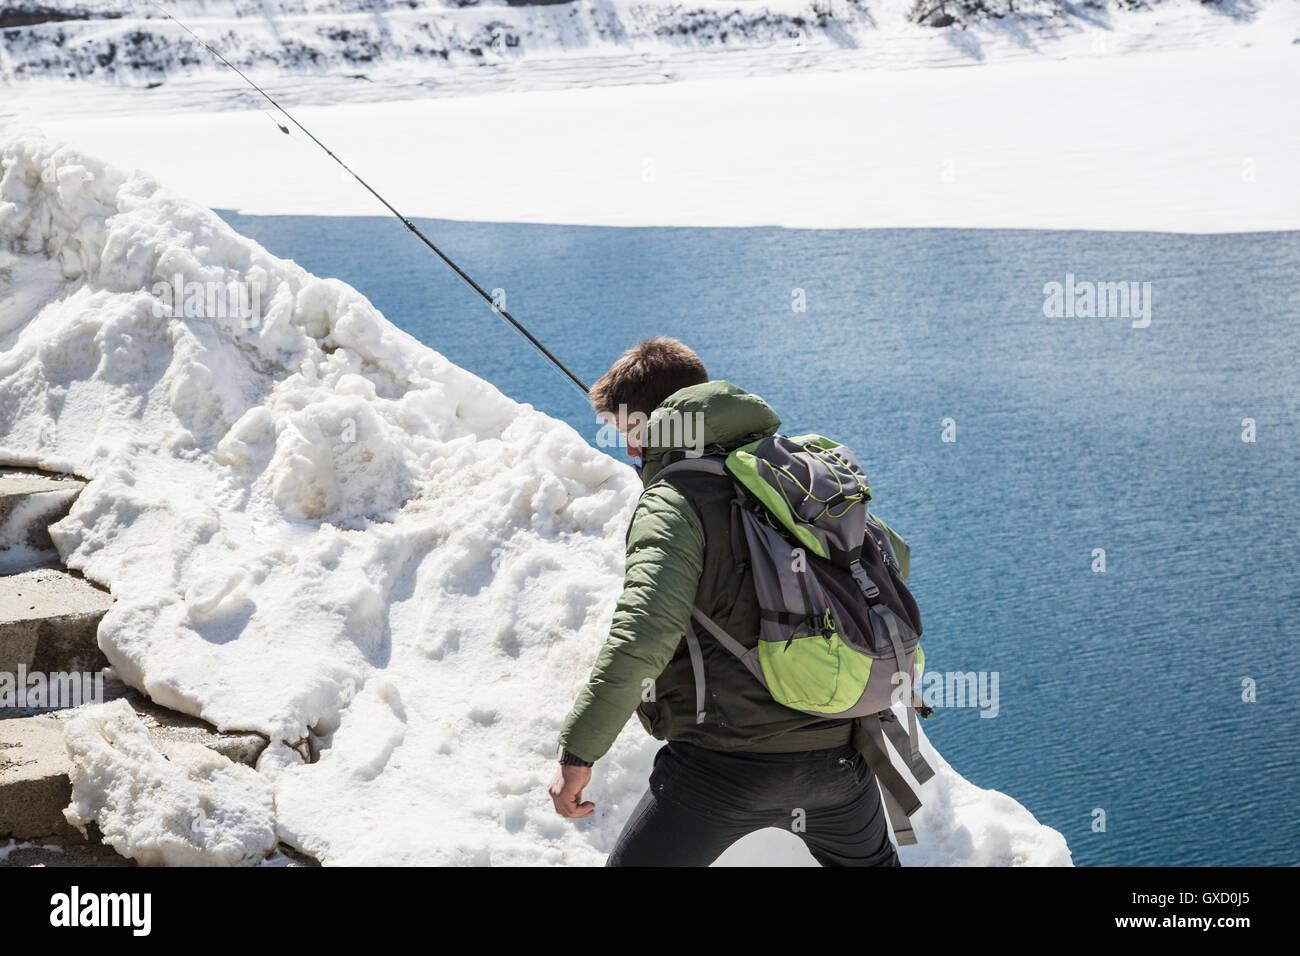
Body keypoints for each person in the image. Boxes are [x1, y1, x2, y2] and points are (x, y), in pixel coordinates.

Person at [548, 337, 901, 867]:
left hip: (722, 768)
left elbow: (643, 634)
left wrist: (579, 753)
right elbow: (890, 564)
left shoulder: (673, 500)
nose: (629, 450)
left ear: (662, 420)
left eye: (630, 431)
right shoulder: (797, 474)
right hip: (839, 762)